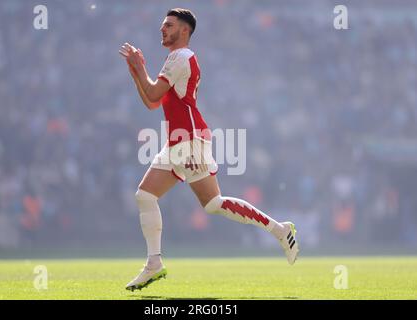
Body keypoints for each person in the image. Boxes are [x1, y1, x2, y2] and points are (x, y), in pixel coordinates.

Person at [119, 8, 299, 291]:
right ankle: (154, 263)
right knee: (146, 195)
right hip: (179, 141)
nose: (162, 29)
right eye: (162, 25)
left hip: (189, 140)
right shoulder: (176, 58)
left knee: (213, 204)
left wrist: (139, 67)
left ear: (185, 31)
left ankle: (280, 230)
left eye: (169, 25)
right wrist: (135, 71)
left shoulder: (181, 57)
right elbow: (153, 102)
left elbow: (153, 94)